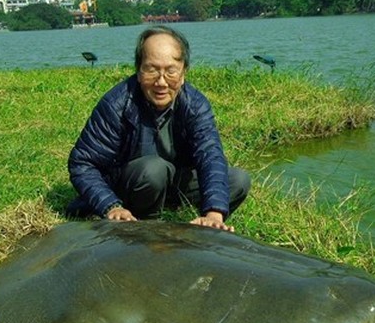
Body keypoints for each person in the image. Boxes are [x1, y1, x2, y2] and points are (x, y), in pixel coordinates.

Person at [67, 26, 250, 232]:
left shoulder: (196, 104)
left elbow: (210, 156)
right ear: (138, 70)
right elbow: (82, 164)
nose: (161, 82)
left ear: (183, 73)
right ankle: (146, 224)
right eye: (152, 70)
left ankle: (179, 215)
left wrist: (214, 213)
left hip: (173, 183)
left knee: (238, 180)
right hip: (128, 186)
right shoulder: (116, 104)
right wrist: (111, 206)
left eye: (171, 71)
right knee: (153, 170)